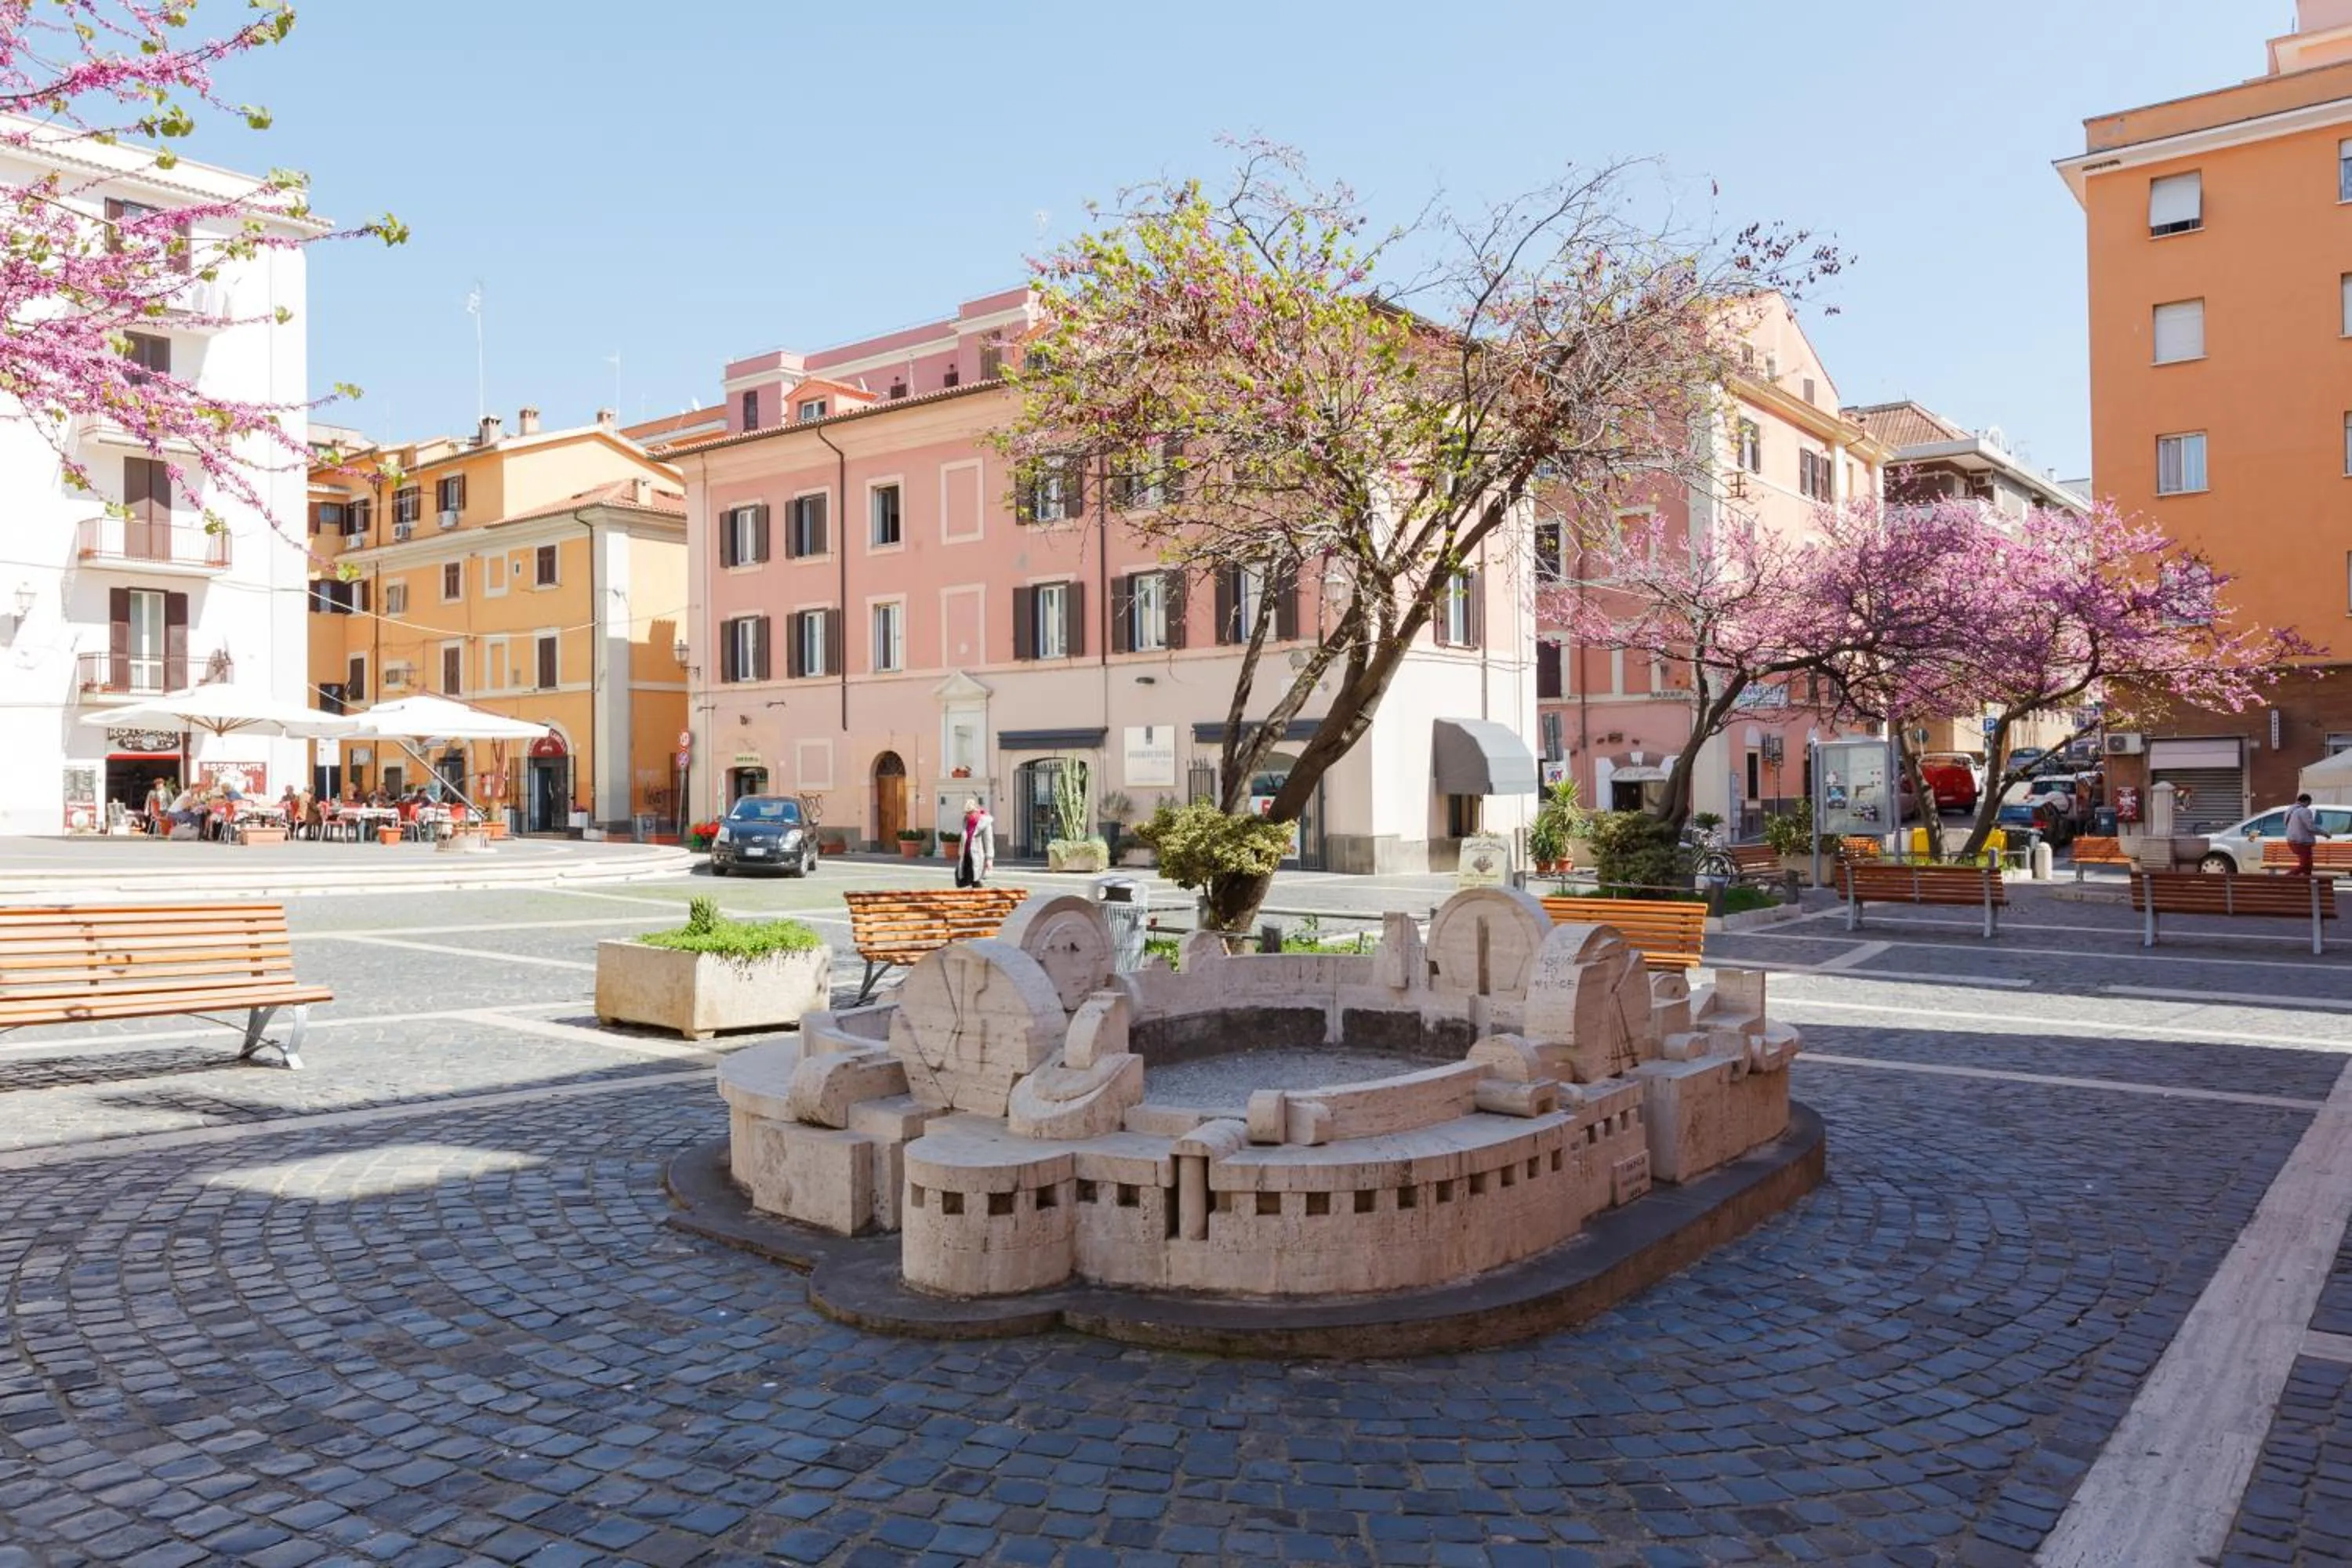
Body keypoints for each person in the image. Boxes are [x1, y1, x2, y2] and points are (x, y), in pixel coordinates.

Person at [956, 796, 994, 887]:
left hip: (977, 856)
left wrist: (989, 859)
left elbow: (989, 842)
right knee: (962, 880)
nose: (968, 815)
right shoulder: (966, 821)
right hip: (966, 855)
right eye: (967, 813)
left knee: (976, 880)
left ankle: (979, 897)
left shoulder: (985, 823)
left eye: (970, 813)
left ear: (976, 811)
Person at [2285, 792, 2325, 877]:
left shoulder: (2290, 810)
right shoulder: (2304, 811)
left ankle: (2307, 882)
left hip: (2292, 840)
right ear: (2306, 801)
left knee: (2308, 865)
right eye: (2309, 803)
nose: (2309, 805)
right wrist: (2324, 833)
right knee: (2305, 865)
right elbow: (2311, 827)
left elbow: (2287, 823)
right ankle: (2284, 879)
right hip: (2302, 842)